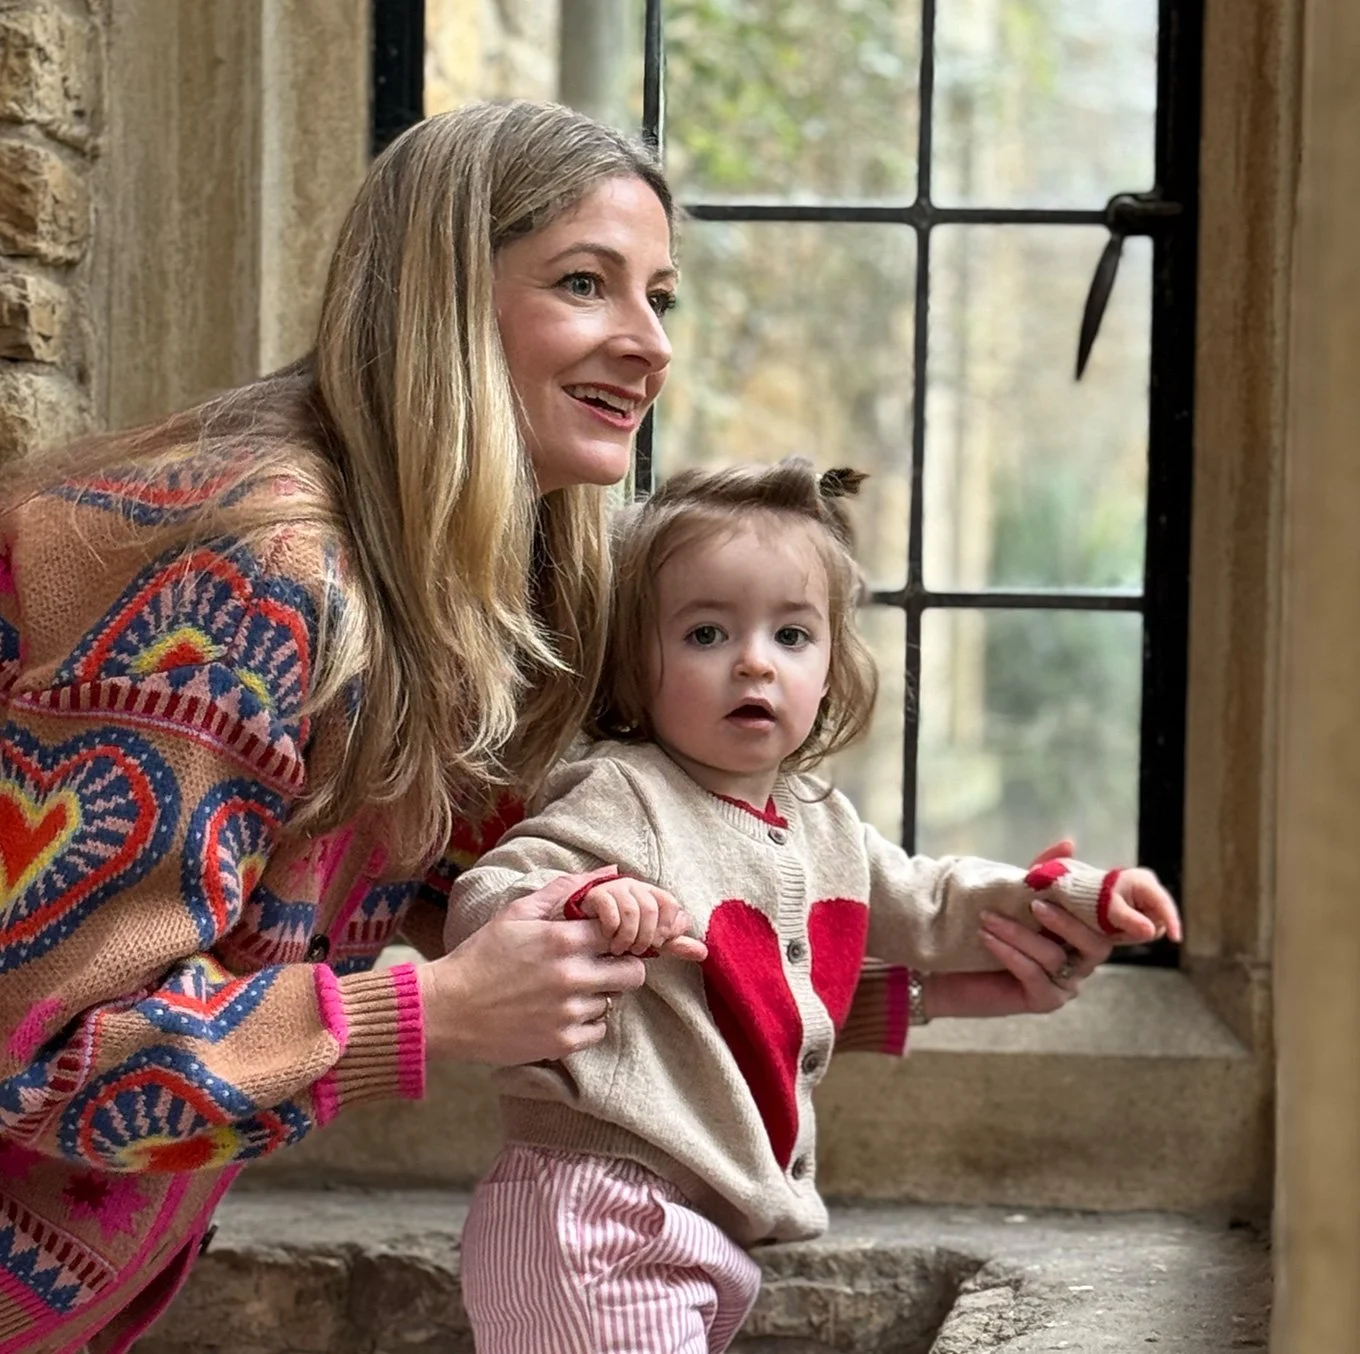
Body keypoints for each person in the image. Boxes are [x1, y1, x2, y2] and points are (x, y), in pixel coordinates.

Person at [0, 98, 1116, 1353]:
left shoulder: (458, 591)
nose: (650, 344)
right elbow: (48, 1058)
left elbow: (582, 959)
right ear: (439, 301)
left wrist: (923, 986)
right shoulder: (248, 569)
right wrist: (432, 1011)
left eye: (661, 297)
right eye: (585, 283)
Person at [444, 458, 1182, 1354]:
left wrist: (1083, 899)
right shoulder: (624, 794)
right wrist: (590, 897)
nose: (755, 660)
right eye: (707, 633)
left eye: (792, 635)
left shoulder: (820, 820)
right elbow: (485, 901)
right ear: (636, 667)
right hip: (594, 1213)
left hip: (695, 1225)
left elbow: (934, 901)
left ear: (831, 666)